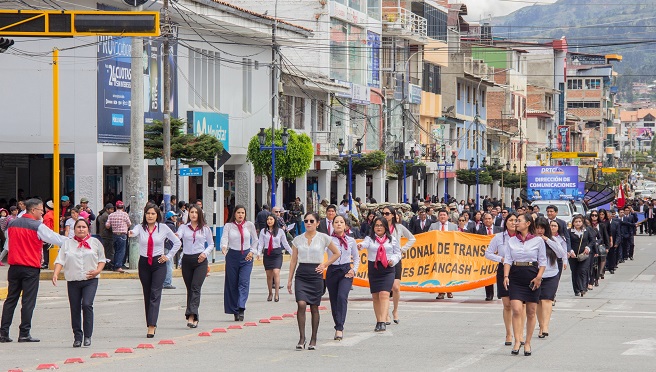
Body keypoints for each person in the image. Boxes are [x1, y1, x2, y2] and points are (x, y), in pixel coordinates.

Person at [1, 198, 68, 343]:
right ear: (33, 210)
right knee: (28, 301)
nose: (42, 213)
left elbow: (8, 243)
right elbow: (56, 239)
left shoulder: (12, 224)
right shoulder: (37, 226)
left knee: (11, 300)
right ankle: (24, 333)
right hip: (30, 268)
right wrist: (74, 241)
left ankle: (3, 333)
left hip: (14, 267)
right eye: (41, 210)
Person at [287, 212, 340, 350]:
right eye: (306, 221)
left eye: (311, 221)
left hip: (316, 274)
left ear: (317, 223)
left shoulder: (324, 238)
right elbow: (293, 261)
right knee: (301, 303)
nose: (308, 223)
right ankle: (302, 338)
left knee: (314, 307)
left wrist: (324, 265)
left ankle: (313, 338)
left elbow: (336, 253)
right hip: (302, 274)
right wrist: (289, 279)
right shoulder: (297, 240)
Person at [128, 203, 181, 338]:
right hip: (144, 263)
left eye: (153, 213)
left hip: (158, 263)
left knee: (155, 293)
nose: (150, 216)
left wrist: (168, 256)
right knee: (147, 293)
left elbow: (177, 243)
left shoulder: (163, 228)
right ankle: (149, 322)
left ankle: (152, 325)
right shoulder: (141, 227)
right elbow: (134, 232)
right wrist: (131, 233)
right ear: (145, 215)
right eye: (148, 213)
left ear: (157, 215)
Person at [52, 219, 105, 347]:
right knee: (75, 308)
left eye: (84, 227)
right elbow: (60, 260)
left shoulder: (95, 243)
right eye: (78, 227)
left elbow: (102, 259)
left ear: (88, 229)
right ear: (74, 229)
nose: (81, 229)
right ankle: (77, 337)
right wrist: (55, 274)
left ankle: (88, 336)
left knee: (87, 305)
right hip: (73, 280)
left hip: (90, 280)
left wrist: (97, 271)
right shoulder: (67, 244)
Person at [503, 213, 547, 356]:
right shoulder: (511, 241)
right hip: (515, 275)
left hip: (532, 275)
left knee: (531, 311)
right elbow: (508, 260)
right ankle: (517, 340)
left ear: (528, 223)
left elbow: (542, 261)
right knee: (516, 309)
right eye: (515, 221)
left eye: (519, 221)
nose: (516, 223)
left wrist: (539, 277)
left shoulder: (538, 241)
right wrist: (505, 276)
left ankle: (527, 342)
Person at [172, 205, 213, 329]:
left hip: (200, 260)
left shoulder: (205, 229)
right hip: (187, 260)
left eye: (196, 212)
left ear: (200, 214)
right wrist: (174, 236)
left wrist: (204, 254)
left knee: (196, 287)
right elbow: (177, 236)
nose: (194, 214)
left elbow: (211, 244)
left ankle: (191, 315)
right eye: (191, 212)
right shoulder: (184, 227)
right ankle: (195, 316)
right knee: (190, 289)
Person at [357, 217, 401, 332]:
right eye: (376, 225)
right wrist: (360, 246)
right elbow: (364, 244)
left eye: (381, 225)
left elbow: (398, 253)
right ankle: (378, 320)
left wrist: (393, 260)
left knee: (384, 294)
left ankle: (383, 321)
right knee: (376, 296)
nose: (379, 227)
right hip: (374, 269)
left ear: (385, 227)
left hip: (387, 269)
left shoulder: (392, 240)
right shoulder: (370, 239)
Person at [485, 212, 522, 346]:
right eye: (510, 220)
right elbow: (488, 253)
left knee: (519, 305)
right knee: (507, 305)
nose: (513, 223)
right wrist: (501, 259)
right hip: (503, 270)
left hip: (520, 270)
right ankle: (509, 333)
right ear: (505, 222)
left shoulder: (523, 237)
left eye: (516, 220)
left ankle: (519, 333)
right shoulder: (499, 237)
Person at [220, 205, 258, 322]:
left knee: (243, 282)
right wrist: (224, 247)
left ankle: (241, 307)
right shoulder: (228, 226)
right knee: (232, 284)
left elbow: (256, 240)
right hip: (232, 256)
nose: (240, 215)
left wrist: (252, 252)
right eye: (238, 213)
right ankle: (234, 310)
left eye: (242, 213)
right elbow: (224, 238)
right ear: (234, 214)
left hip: (246, 257)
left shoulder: (249, 225)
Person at [326, 215, 359, 341]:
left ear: (345, 225)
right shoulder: (328, 240)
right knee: (334, 300)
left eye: (341, 222)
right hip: (332, 270)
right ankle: (337, 324)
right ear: (332, 225)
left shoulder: (351, 241)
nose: (339, 224)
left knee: (342, 297)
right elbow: (320, 252)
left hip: (345, 271)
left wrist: (353, 270)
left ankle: (340, 328)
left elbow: (356, 258)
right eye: (336, 222)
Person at [383, 206, 415, 324]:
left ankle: (395, 310)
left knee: (396, 287)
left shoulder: (399, 227)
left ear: (392, 215)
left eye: (387, 213)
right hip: (383, 259)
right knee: (385, 288)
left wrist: (402, 250)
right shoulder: (380, 226)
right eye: (383, 213)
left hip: (396, 259)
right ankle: (385, 314)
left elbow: (412, 239)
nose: (385, 215)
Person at [537, 218, 567, 338]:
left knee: (547, 299)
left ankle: (546, 326)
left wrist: (547, 240)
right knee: (538, 301)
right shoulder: (531, 240)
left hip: (551, 274)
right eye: (537, 228)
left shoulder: (553, 240)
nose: (540, 230)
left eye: (542, 228)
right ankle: (541, 325)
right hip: (537, 275)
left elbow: (560, 254)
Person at [257, 212, 292, 302]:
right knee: (269, 276)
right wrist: (258, 253)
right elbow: (261, 243)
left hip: (277, 253)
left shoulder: (280, 231)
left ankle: (277, 293)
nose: (269, 221)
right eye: (268, 219)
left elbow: (285, 243)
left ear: (275, 220)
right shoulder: (263, 231)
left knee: (276, 272)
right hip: (267, 254)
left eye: (271, 219)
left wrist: (292, 253)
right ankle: (270, 293)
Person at [429, 208, 456, 300]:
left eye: (444, 215)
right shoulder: (433, 226)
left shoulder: (453, 226)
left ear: (448, 216)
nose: (442, 216)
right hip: (438, 253)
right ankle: (441, 291)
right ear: (438, 216)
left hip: (450, 253)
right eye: (441, 215)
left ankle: (449, 290)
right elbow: (429, 237)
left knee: (449, 271)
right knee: (439, 272)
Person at [567, 214, 594, 297]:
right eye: (576, 222)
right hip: (573, 255)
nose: (578, 223)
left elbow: (592, 240)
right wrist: (570, 251)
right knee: (575, 272)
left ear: (582, 222)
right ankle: (576, 290)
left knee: (582, 270)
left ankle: (583, 288)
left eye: (579, 221)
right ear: (573, 223)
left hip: (584, 255)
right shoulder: (569, 231)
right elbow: (568, 242)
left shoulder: (587, 230)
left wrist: (588, 248)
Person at [478, 212, 503, 301]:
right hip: (486, 257)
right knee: (487, 275)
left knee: (500, 275)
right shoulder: (479, 231)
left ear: (493, 220)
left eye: (489, 219)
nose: (487, 220)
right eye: (486, 219)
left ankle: (501, 293)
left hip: (498, 256)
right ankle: (489, 295)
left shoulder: (500, 230)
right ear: (483, 220)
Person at [105, 200, 131, 273]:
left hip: (114, 235)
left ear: (116, 207)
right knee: (121, 251)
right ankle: (118, 266)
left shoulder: (111, 215)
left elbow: (107, 225)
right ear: (122, 207)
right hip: (122, 235)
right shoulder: (125, 214)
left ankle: (114, 265)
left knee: (116, 251)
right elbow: (129, 224)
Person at [163, 211, 178, 290]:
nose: (176, 217)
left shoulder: (165, 225)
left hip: (164, 247)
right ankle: (167, 282)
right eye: (174, 216)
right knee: (168, 265)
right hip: (168, 247)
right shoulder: (171, 226)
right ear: (171, 217)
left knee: (165, 265)